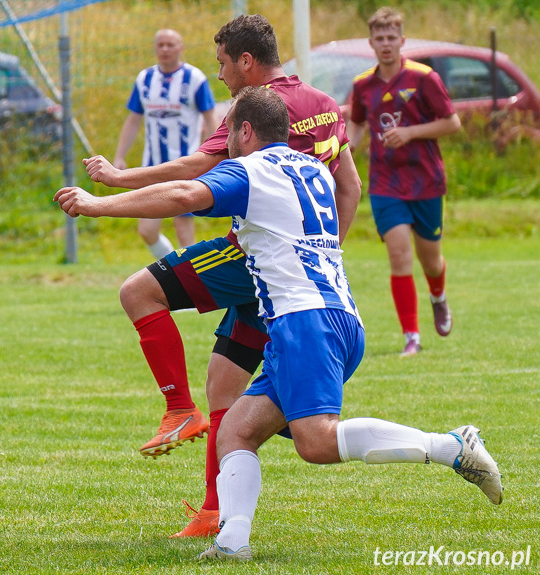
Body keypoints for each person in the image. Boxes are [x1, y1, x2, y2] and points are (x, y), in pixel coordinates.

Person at [55, 85, 503, 563]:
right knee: (236, 434)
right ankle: (232, 542)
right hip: (337, 317)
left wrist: (96, 204)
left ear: (246, 131)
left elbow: (185, 192)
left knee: (317, 441)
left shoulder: (251, 170)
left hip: (303, 322)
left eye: (228, 133)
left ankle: (451, 445)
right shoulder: (311, 168)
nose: (223, 144)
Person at [82, 14, 362, 538]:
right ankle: (216, 513)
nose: (221, 77)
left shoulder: (251, 112)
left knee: (139, 291)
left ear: (246, 61)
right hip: (303, 275)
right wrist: (325, 252)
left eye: (223, 65)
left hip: (252, 257)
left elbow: (193, 173)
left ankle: (177, 409)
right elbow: (351, 187)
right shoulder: (325, 104)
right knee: (226, 387)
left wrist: (118, 180)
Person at [346, 7, 461, 357]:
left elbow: (452, 123)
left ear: (402, 41)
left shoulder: (424, 78)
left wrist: (410, 132)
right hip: (385, 183)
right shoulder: (362, 85)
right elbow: (357, 129)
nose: (385, 44)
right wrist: (340, 148)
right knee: (399, 255)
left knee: (431, 260)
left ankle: (438, 297)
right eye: (379, 38)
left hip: (425, 180)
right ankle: (411, 335)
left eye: (391, 38)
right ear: (371, 42)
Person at [114, 29, 219, 259]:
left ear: (180, 47)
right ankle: (175, 270)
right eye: (160, 44)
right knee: (147, 230)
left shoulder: (194, 78)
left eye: (170, 44)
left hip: (185, 166)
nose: (164, 49)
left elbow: (210, 118)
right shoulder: (145, 79)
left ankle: (193, 284)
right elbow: (133, 119)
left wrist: (211, 156)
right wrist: (120, 156)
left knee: (184, 232)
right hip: (152, 167)